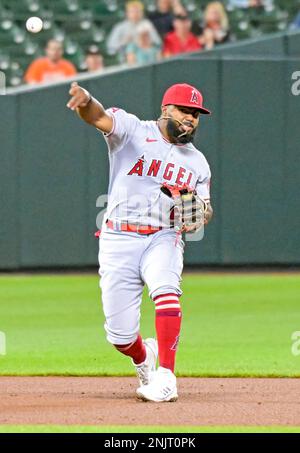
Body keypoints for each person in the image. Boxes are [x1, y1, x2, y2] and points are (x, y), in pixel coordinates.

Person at [67, 81, 213, 402]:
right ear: (165, 109)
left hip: (164, 235)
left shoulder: (198, 163)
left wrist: (197, 211)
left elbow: (204, 211)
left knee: (166, 290)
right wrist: (86, 101)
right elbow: (99, 117)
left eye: (196, 114)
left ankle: (167, 376)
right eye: (184, 110)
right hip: (118, 237)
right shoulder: (133, 130)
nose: (190, 118)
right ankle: (142, 355)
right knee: (119, 336)